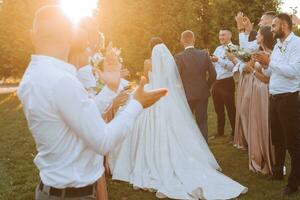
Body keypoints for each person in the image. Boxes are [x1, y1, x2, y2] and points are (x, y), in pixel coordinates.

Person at [17, 5, 167, 200]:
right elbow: (103, 141)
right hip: (72, 195)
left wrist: (110, 88)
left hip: (51, 190)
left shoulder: (33, 76)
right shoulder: (62, 81)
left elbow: (78, 115)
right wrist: (137, 104)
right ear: (69, 36)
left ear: (32, 35)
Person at [109, 38, 247, 200]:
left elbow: (146, 78)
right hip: (168, 97)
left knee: (149, 126)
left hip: (152, 94)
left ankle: (151, 158)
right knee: (180, 127)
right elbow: (174, 79)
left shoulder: (148, 62)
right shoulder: (170, 61)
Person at [255, 13, 300, 197]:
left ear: (283, 25)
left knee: (293, 143)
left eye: (274, 26)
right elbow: (272, 72)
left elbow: (294, 71)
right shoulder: (278, 45)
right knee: (278, 140)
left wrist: (270, 61)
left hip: (288, 98)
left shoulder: (296, 44)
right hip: (274, 97)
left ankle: (293, 183)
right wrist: (263, 63)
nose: (271, 29)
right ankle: (277, 172)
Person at [174, 30, 216, 141]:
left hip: (186, 95)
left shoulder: (179, 57)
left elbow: (176, 77)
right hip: (202, 93)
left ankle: (189, 146)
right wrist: (206, 85)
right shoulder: (203, 54)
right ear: (194, 40)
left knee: (187, 122)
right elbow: (213, 74)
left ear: (182, 41)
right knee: (202, 121)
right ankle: (205, 148)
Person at [211, 28, 236, 138]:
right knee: (218, 109)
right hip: (216, 82)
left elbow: (233, 67)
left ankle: (235, 132)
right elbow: (214, 64)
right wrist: (210, 60)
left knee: (231, 109)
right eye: (220, 35)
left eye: (223, 35)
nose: (221, 37)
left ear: (229, 36)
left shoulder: (234, 49)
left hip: (227, 82)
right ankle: (220, 132)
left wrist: (218, 61)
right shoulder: (218, 48)